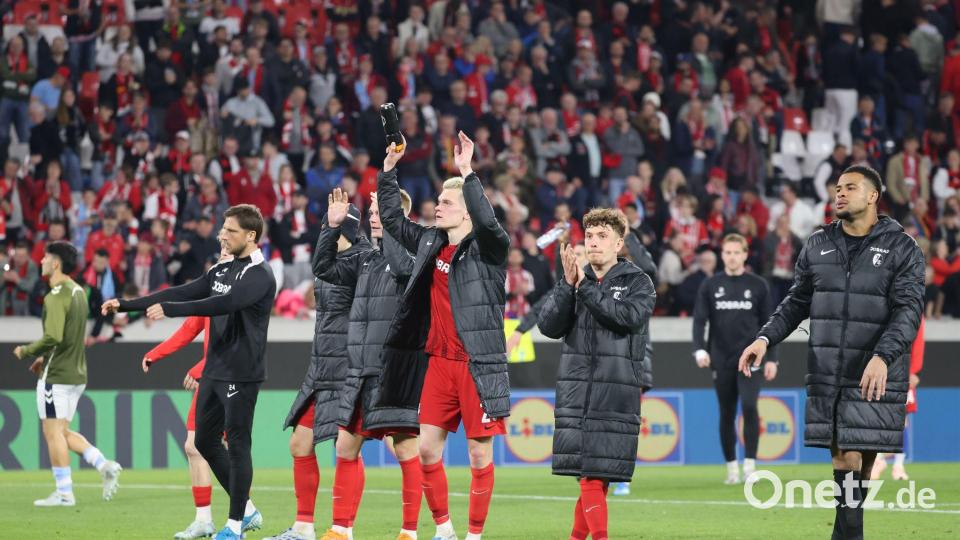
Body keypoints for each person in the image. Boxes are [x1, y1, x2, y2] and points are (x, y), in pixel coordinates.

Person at [739, 165, 925, 539]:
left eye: (850, 187)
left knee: (864, 465)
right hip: (828, 370)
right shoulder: (818, 244)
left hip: (877, 371)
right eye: (837, 187)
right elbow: (796, 301)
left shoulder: (902, 247)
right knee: (845, 456)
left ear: (873, 196)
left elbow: (909, 311)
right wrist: (764, 339)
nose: (839, 193)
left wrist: (882, 357)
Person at [103, 204, 277, 540]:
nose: (222, 235)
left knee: (239, 445)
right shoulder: (223, 270)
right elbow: (182, 291)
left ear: (251, 235)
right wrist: (126, 304)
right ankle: (249, 511)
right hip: (214, 370)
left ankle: (235, 526)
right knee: (205, 443)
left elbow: (222, 305)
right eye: (223, 229)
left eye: (230, 231)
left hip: (242, 373)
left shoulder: (260, 273)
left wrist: (170, 311)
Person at [376, 131, 510, 540]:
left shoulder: (490, 249)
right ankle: (444, 529)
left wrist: (468, 172)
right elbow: (394, 222)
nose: (437, 207)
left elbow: (488, 222)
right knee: (428, 450)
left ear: (467, 212)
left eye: (447, 203)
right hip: (437, 362)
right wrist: (387, 173)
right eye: (438, 201)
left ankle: (473, 535)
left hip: (477, 364)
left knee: (477, 452)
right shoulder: (432, 243)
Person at [304, 187, 421, 540]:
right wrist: (331, 227)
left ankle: (409, 531)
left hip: (393, 369)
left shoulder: (413, 258)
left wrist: (394, 234)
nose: (372, 216)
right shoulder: (365, 259)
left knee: (404, 447)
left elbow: (401, 267)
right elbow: (323, 268)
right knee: (345, 446)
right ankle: (341, 528)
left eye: (378, 210)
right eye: (370, 211)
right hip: (360, 368)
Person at [537, 208, 656, 540]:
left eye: (602, 236)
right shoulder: (576, 280)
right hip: (576, 392)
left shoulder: (638, 281)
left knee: (594, 477)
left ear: (619, 242)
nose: (593, 242)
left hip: (616, 393)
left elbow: (626, 317)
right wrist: (566, 284)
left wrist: (584, 286)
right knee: (592, 478)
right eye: (589, 236)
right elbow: (548, 325)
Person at [268, 202, 370, 540]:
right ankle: (304, 527)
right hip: (322, 365)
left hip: (350, 366)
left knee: (348, 448)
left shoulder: (363, 260)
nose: (326, 224)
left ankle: (344, 528)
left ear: (348, 227)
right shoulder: (328, 261)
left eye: (333, 221)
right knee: (299, 443)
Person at [13, 242, 122, 507]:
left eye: (46, 258)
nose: (41, 262)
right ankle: (103, 463)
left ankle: (64, 493)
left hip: (57, 377)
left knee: (52, 433)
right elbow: (70, 337)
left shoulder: (55, 296)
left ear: (57, 263)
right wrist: (44, 356)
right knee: (61, 430)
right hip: (77, 373)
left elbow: (53, 336)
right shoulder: (78, 292)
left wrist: (27, 351)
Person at [692, 234, 777, 484]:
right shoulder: (710, 285)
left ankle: (750, 466)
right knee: (727, 412)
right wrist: (699, 349)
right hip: (721, 358)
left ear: (745, 254)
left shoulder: (759, 285)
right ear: (722, 255)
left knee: (750, 406)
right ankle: (731, 468)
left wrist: (773, 358)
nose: (731, 257)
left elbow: (771, 324)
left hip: (751, 359)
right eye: (727, 252)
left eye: (736, 252)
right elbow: (699, 320)